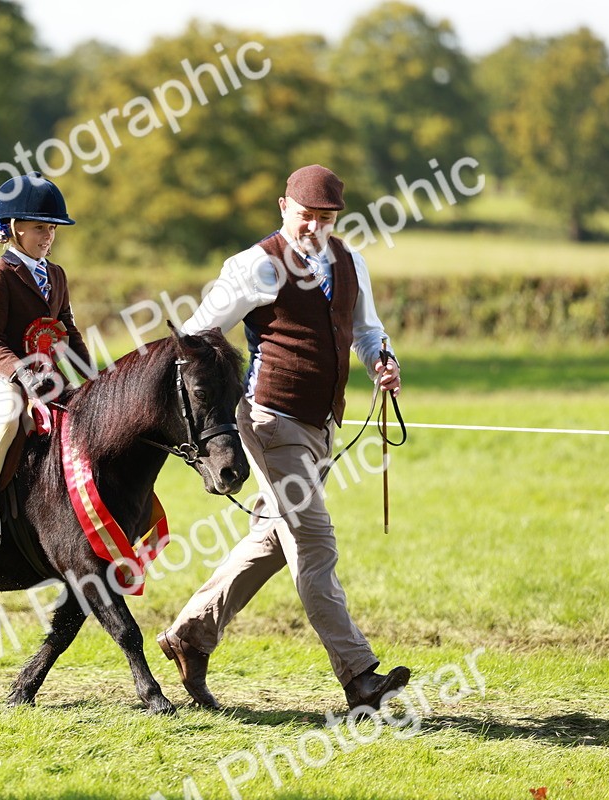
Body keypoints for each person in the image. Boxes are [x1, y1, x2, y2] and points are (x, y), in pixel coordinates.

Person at [157, 164, 410, 714]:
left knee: (273, 543)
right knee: (315, 544)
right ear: (282, 207)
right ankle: (359, 676)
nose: (313, 227)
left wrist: (382, 361)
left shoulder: (349, 262)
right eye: (304, 216)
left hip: (322, 425)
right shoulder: (255, 266)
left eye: (325, 218)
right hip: (269, 423)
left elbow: (367, 331)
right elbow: (198, 334)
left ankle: (190, 635)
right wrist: (214, 406)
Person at [0, 172, 91, 547]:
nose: (48, 237)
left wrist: (92, 378)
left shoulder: (56, 274)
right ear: (15, 229)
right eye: (39, 228)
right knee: (7, 417)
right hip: (0, 375)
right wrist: (21, 373)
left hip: (45, 374)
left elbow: (67, 329)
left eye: (52, 229)